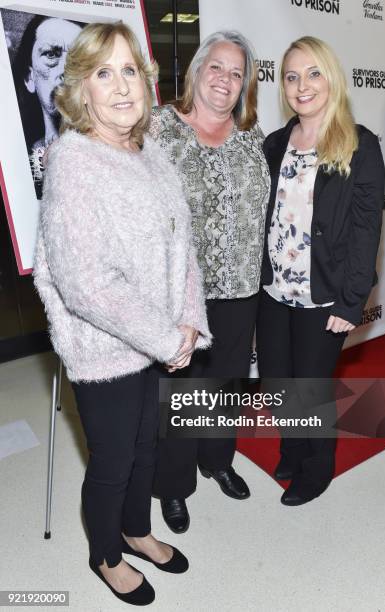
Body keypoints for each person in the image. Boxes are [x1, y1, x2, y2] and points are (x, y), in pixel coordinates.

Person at [33, 22, 211, 606]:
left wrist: (188, 323)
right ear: (80, 90)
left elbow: (181, 244)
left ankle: (136, 531)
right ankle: (105, 553)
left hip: (159, 340)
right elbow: (86, 284)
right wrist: (166, 336)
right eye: (101, 73)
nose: (119, 86)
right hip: (105, 347)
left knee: (147, 447)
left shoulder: (151, 152)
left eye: (129, 70)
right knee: (112, 460)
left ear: (147, 81)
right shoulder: (73, 162)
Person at [150, 31, 271, 532]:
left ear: (244, 86)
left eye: (236, 72)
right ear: (196, 71)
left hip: (241, 288)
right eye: (216, 67)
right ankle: (174, 486)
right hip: (181, 291)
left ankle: (218, 459)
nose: (225, 79)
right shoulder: (159, 128)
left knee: (223, 384)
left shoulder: (252, 136)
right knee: (182, 387)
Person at [256, 36, 385, 506]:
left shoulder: (358, 144)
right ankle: (292, 448)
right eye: (291, 76)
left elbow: (366, 229)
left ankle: (317, 468)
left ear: (331, 79)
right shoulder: (274, 144)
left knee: (311, 389)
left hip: (324, 296)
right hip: (273, 292)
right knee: (278, 381)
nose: (301, 85)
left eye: (312, 74)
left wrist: (353, 300)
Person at [11, 14, 83, 197]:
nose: (65, 71)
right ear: (29, 77)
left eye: (79, 59)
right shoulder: (16, 165)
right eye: (51, 54)